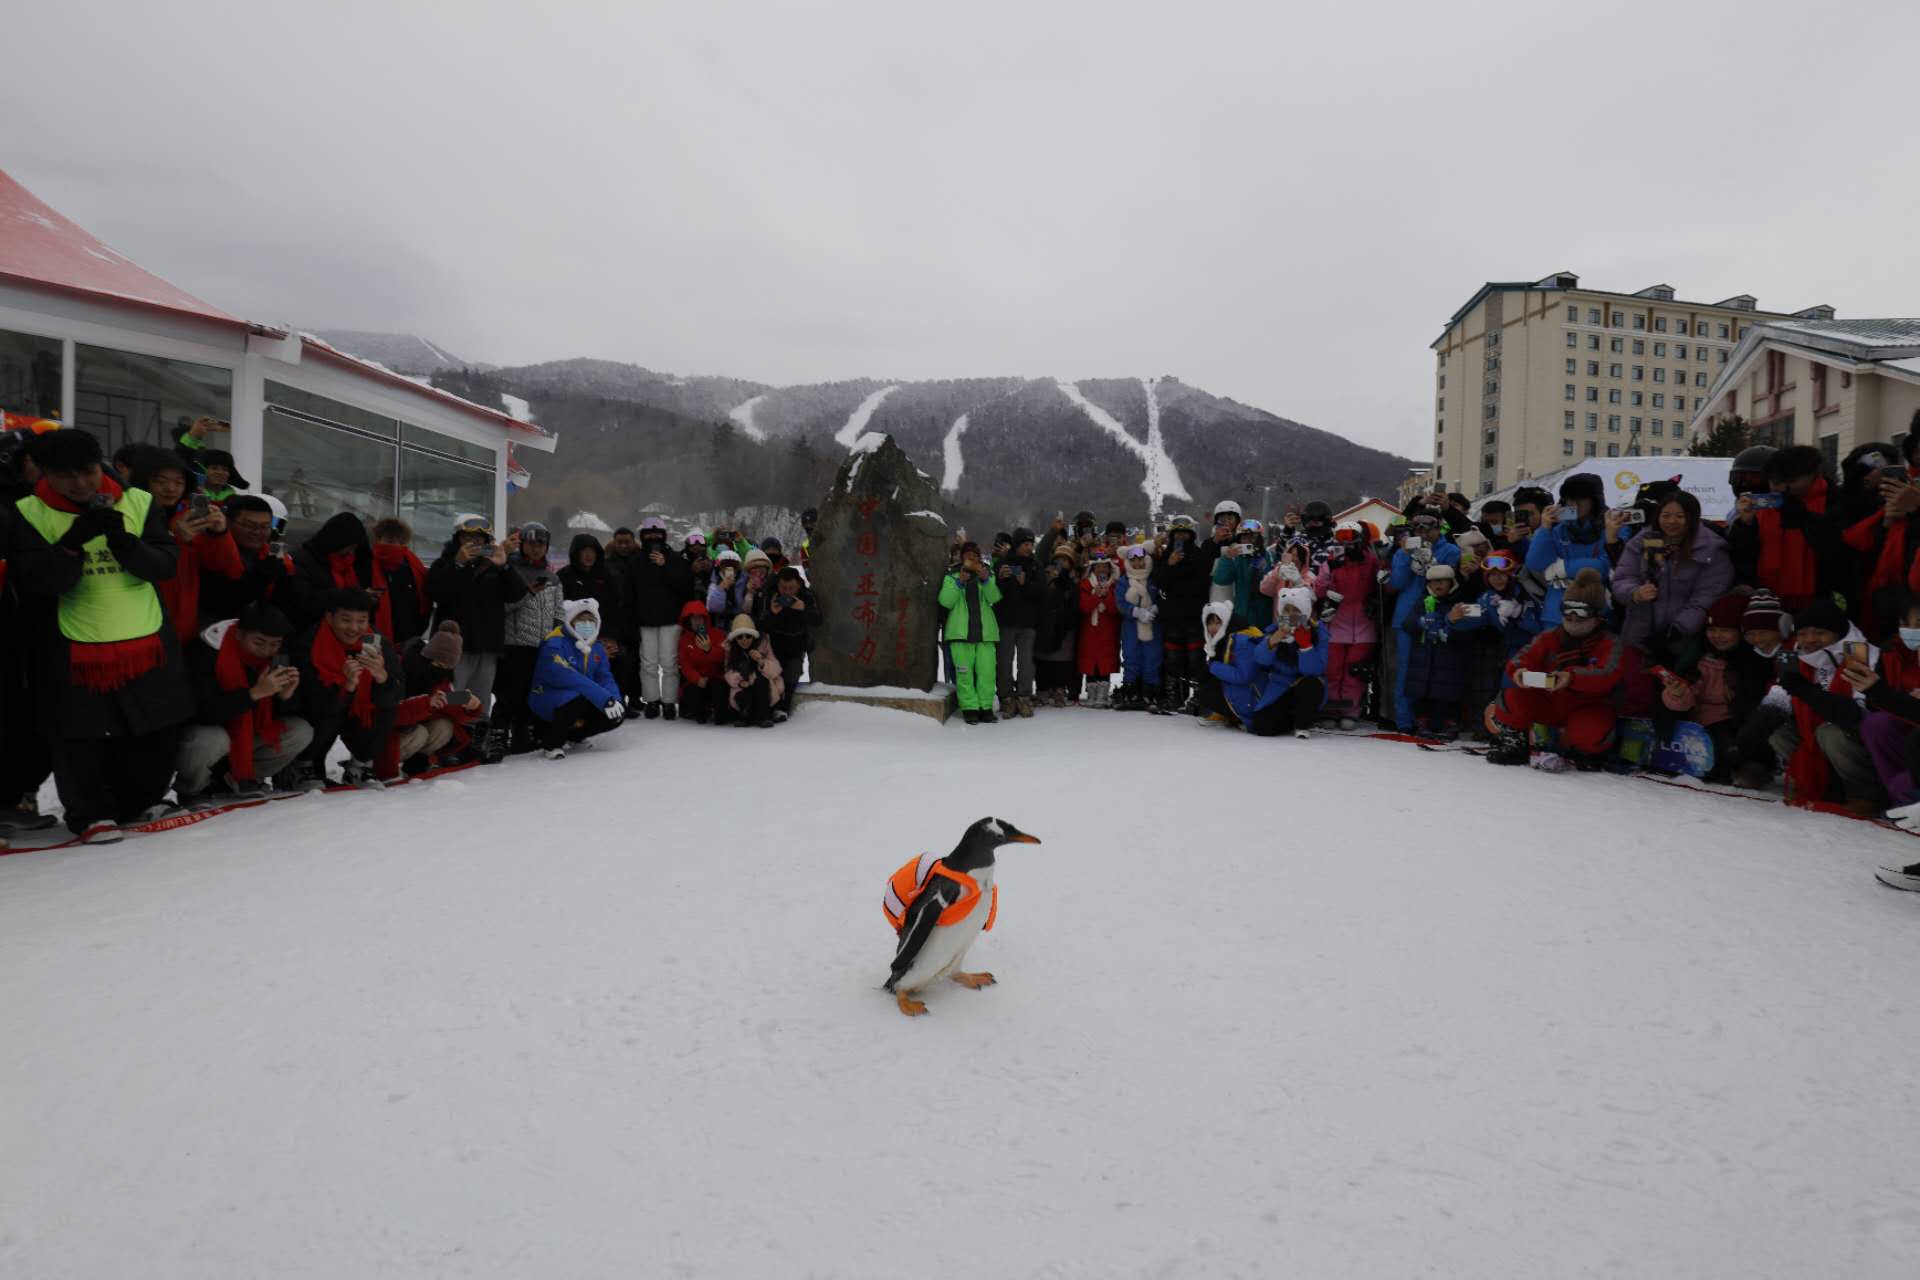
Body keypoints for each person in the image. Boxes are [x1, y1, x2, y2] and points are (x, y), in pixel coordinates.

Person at [7, 429, 194, 841]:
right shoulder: (27, 511)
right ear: (44, 473)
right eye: (65, 476)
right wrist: (72, 544)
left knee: (154, 729)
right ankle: (89, 813)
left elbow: (164, 565)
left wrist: (125, 544)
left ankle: (135, 801)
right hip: (72, 642)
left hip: (144, 636)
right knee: (80, 735)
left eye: (87, 472)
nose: (80, 484)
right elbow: (37, 582)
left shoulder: (140, 501)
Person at [1754, 599, 1886, 814]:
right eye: (1803, 633)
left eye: (1819, 633)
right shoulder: (1798, 654)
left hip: (1862, 738)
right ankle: (1821, 785)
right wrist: (1744, 743)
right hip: (1820, 733)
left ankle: (1864, 795)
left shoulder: (1858, 653)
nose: (1810, 640)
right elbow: (1777, 701)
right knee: (1776, 728)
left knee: (1830, 732)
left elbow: (1856, 716)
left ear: (1838, 633)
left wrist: (1807, 691)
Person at [1610, 490, 1735, 716]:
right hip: (1639, 636)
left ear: (1692, 517)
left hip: (1684, 640)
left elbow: (1708, 596)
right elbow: (1622, 578)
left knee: (1678, 698)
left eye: (1679, 516)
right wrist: (1635, 593)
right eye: (1666, 515)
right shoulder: (1645, 541)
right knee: (1637, 695)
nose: (1671, 521)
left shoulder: (1710, 549)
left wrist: (1678, 629)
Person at [1485, 568, 1624, 771]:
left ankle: (1586, 750)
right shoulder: (1550, 637)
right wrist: (1520, 672)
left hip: (1588, 705)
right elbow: (1521, 659)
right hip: (1550, 702)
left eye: (1581, 610)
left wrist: (1572, 677)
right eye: (1568, 609)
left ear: (1596, 613)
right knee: (1511, 696)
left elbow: (1608, 673)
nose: (1573, 617)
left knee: (1593, 733)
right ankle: (1515, 742)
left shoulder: (1609, 642)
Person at [175, 603, 313, 805]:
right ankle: (194, 788)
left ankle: (239, 778)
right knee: (211, 739)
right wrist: (253, 694)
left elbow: (281, 712)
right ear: (239, 635)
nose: (266, 650)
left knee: (300, 731)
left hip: (246, 739)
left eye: (274, 644)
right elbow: (201, 711)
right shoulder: (205, 650)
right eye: (259, 642)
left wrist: (286, 696)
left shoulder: (279, 656)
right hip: (202, 734)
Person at [426, 514, 529, 761]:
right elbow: (435, 592)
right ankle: (449, 745)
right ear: (457, 539)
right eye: (467, 537)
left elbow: (517, 594)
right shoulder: (444, 564)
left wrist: (504, 566)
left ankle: (475, 744)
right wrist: (458, 564)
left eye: (478, 538)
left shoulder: (494, 564)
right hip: (455, 647)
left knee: (480, 698)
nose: (472, 542)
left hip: (487, 645)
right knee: (453, 694)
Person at [125, 444, 243, 646]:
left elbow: (226, 567)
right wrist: (176, 539)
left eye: (179, 482)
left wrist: (220, 533)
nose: (171, 489)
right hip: (138, 627)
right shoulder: (126, 515)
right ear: (143, 481)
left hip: (182, 629)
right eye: (160, 481)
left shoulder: (189, 515)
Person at [288, 587, 404, 789]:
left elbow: (397, 694)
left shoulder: (377, 643)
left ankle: (360, 765)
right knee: (330, 710)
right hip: (317, 717)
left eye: (361, 620)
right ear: (330, 617)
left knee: (385, 707)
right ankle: (304, 765)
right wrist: (346, 687)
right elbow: (306, 702)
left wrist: (381, 676)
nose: (354, 627)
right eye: (346, 619)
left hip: (356, 716)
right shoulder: (309, 643)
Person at [1657, 595, 1779, 785]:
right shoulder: (1703, 659)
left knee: (1746, 738)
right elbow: (1690, 695)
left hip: (1740, 719)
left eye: (1725, 630)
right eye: (1712, 630)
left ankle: (1753, 767)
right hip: (1707, 719)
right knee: (1724, 744)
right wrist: (1677, 693)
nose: (1717, 636)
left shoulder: (1753, 660)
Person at [1726, 445, 1847, 612]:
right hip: (1769, 602)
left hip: (1820, 602)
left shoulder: (1836, 503)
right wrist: (1745, 525)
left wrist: (1803, 518)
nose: (1780, 488)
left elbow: (1838, 552)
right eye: (1774, 482)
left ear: (1813, 475)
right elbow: (1744, 557)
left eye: (1790, 482)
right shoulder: (1767, 506)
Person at [1198, 587, 1328, 738]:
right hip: (1279, 685)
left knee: (1310, 684)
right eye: (1287, 610)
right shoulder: (1274, 630)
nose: (1291, 614)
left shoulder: (1317, 632)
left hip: (1306, 683)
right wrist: (1273, 641)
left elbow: (1315, 670)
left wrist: (1306, 646)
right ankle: (1290, 721)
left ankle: (1302, 723)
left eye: (1296, 610)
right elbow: (1260, 659)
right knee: (1262, 727)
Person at [1385, 508, 1461, 731]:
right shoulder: (1404, 550)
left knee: (1438, 669)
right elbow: (1397, 583)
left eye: (1429, 526)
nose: (1424, 531)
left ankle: (1434, 719)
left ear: (1439, 527)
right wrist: (1406, 555)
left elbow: (1450, 582)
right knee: (1406, 669)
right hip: (1407, 616)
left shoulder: (1450, 550)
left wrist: (1431, 562)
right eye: (1418, 526)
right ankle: (1405, 720)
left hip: (1439, 616)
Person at [526, 598, 624, 758]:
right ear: (570, 621)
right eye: (581, 620)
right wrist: (603, 698)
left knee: (614, 714)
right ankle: (552, 743)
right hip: (548, 698)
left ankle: (575, 736)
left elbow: (605, 678)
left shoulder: (596, 647)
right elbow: (566, 676)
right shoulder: (554, 643)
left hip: (582, 697)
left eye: (591, 621)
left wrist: (615, 700)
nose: (587, 625)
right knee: (575, 700)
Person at [1399, 563, 1487, 739]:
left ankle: (1450, 723)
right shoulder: (1422, 601)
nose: (1438, 586)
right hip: (1424, 657)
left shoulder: (1460, 601)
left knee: (1448, 693)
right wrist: (1422, 622)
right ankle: (1422, 722)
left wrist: (1450, 624)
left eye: (1443, 582)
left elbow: (1470, 630)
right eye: (1434, 582)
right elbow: (1407, 623)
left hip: (1451, 657)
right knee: (1422, 692)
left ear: (1451, 582)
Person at [498, 522, 564, 754]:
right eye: (531, 543)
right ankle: (498, 738)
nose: (536, 548)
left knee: (535, 692)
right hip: (515, 643)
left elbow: (559, 612)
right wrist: (528, 594)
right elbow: (503, 607)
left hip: (543, 645)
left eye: (541, 544)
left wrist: (557, 639)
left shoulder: (552, 576)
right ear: (522, 544)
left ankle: (524, 736)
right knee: (510, 695)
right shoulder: (510, 570)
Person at [389, 619, 482, 775]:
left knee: (444, 726)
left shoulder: (440, 679)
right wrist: (426, 704)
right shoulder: (399, 667)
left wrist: (472, 707)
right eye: (438, 665)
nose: (440, 670)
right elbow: (390, 712)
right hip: (385, 732)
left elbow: (452, 708)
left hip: (409, 728)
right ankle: (376, 766)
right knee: (420, 733)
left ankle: (416, 763)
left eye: (446, 667)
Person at [1524, 473, 1616, 627]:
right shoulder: (1557, 529)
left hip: (1597, 613)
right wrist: (1545, 528)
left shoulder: (1612, 527)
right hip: (1556, 614)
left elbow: (1606, 566)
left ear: (1595, 500)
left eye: (1582, 498)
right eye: (1570, 498)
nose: (1575, 504)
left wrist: (1562, 568)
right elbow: (1535, 563)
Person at [1313, 521, 1379, 729]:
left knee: (1354, 672)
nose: (1345, 543)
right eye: (1341, 537)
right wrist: (1329, 574)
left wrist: (1382, 583)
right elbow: (1319, 590)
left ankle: (1350, 710)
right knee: (1333, 670)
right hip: (1336, 624)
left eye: (1349, 537)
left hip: (1363, 626)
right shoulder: (1331, 561)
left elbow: (1382, 586)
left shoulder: (1370, 561)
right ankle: (1331, 709)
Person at [631, 517, 693, 718]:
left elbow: (684, 587)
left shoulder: (675, 558)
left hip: (670, 618)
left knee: (669, 663)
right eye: (649, 533)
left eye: (658, 533)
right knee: (648, 663)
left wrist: (664, 566)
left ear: (664, 535)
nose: (654, 537)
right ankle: (652, 701)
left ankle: (668, 702)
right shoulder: (636, 560)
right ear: (643, 536)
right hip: (645, 619)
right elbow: (629, 592)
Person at [1150, 518, 1212, 711]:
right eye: (1177, 534)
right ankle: (1174, 695)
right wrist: (1169, 565)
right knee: (1172, 657)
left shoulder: (1199, 555)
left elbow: (1202, 582)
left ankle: (1198, 698)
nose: (1181, 537)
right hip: (1172, 615)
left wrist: (1181, 576)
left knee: (1195, 658)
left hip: (1193, 614)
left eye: (1184, 534)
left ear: (1191, 535)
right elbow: (1159, 582)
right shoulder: (1166, 555)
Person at [940, 541, 1003, 724]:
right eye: (969, 556)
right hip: (960, 635)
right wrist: (959, 582)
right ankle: (969, 708)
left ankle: (985, 707)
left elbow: (995, 597)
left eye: (976, 556)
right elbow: (945, 601)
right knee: (964, 674)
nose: (973, 559)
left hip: (986, 634)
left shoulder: (987, 574)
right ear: (962, 558)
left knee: (987, 673)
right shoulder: (952, 576)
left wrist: (985, 580)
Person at [992, 528, 1046, 718]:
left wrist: (1024, 583)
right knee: (1004, 663)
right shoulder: (1002, 563)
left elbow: (1040, 591)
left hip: (1028, 623)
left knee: (1026, 663)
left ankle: (1024, 697)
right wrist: (1001, 579)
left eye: (1031, 544)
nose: (1029, 548)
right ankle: (1006, 698)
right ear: (1017, 544)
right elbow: (994, 593)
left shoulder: (1035, 566)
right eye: (1025, 544)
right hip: (1006, 621)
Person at [757, 565, 819, 720]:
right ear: (778, 585)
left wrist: (803, 608)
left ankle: (782, 709)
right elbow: (759, 625)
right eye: (783, 588)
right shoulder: (769, 594)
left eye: (791, 588)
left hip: (796, 643)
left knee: (792, 673)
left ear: (798, 584)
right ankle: (768, 708)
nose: (787, 592)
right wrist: (772, 613)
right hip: (773, 644)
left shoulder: (806, 595)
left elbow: (818, 619)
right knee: (773, 674)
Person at [1113, 543, 1163, 711]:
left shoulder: (1154, 578)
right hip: (1131, 624)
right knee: (1131, 656)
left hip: (1152, 624)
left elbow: (1162, 597)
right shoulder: (1124, 581)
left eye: (1141, 560)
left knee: (1152, 657)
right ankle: (1130, 690)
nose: (1138, 564)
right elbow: (1119, 602)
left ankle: (1151, 691)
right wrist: (1135, 612)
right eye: (1134, 561)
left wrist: (1155, 608)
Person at [369, 517, 431, 645]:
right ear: (378, 539)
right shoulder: (365, 565)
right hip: (373, 634)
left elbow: (424, 601)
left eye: (399, 541)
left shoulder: (414, 566)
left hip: (409, 634)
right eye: (389, 540)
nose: (394, 546)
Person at [1034, 542, 1080, 707]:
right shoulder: (1044, 576)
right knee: (1043, 661)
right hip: (1045, 626)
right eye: (1058, 560)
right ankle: (1043, 689)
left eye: (1065, 561)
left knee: (1062, 662)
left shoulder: (1072, 581)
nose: (1061, 564)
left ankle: (1059, 689)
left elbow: (1074, 605)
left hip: (1064, 627)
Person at [1077, 551, 1123, 709]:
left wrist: (1106, 595)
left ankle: (1103, 694)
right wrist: (1096, 595)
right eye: (1098, 567)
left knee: (1106, 661)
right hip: (1089, 632)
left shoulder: (1116, 586)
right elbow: (1084, 607)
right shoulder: (1084, 585)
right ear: (1092, 569)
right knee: (1090, 661)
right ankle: (1091, 692)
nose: (1102, 570)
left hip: (1108, 632)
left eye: (1105, 567)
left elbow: (1116, 609)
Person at [721, 612, 782, 728]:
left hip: (762, 687)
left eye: (748, 636)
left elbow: (776, 669)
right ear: (735, 638)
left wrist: (761, 661)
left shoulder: (763, 646)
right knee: (743, 693)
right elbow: (728, 671)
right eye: (740, 637)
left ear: (753, 636)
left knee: (761, 682)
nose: (744, 640)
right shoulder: (731, 650)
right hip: (742, 688)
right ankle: (745, 716)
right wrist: (739, 681)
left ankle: (763, 716)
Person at [676, 600, 727, 723]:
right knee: (692, 694)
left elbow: (723, 658)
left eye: (700, 618)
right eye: (694, 618)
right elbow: (685, 665)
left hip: (716, 678)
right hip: (696, 682)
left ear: (705, 619)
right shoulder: (684, 640)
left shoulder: (717, 635)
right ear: (688, 620)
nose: (698, 621)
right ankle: (701, 712)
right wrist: (697, 679)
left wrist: (709, 650)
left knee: (718, 689)